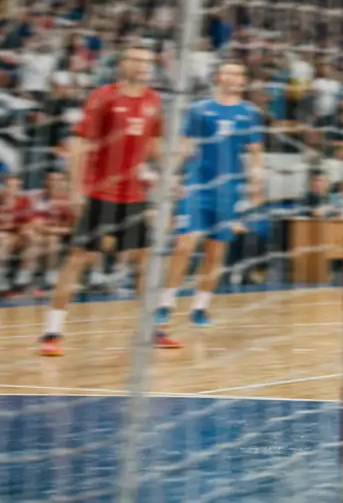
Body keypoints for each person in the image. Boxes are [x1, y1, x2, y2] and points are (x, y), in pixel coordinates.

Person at [40, 47, 177, 355]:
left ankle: (152, 329)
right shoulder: (102, 96)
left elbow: (153, 141)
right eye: (136, 60)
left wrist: (169, 170)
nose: (143, 65)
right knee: (77, 259)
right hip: (99, 194)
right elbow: (80, 143)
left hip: (134, 197)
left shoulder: (154, 100)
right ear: (123, 64)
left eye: (147, 61)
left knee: (147, 261)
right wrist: (75, 189)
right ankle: (52, 332)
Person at [157, 62, 264, 329]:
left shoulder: (249, 113)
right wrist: (174, 176)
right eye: (229, 73)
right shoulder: (199, 108)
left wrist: (256, 185)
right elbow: (183, 145)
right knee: (184, 245)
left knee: (215, 253)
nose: (234, 77)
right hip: (196, 185)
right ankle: (165, 304)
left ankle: (201, 307)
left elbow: (256, 152)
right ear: (218, 77)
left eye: (239, 73)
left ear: (243, 80)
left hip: (227, 191)